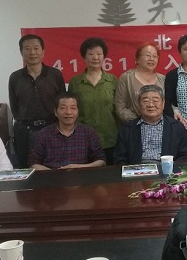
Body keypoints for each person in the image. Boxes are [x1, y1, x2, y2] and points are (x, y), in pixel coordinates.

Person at [8, 34, 66, 168]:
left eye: (36, 48)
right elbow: (15, 107)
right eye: (27, 49)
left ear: (43, 51)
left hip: (52, 128)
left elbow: (62, 103)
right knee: (25, 168)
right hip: (25, 132)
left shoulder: (55, 74)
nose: (32, 52)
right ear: (21, 52)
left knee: (53, 167)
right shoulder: (15, 77)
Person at [68, 37, 119, 165]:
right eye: (90, 54)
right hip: (83, 138)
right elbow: (71, 110)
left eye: (99, 54)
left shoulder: (112, 80)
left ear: (104, 57)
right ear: (84, 57)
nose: (95, 57)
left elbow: (118, 108)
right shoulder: (75, 82)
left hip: (110, 138)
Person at [114, 85, 187, 165]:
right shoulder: (127, 129)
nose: (151, 105)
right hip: (138, 170)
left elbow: (185, 156)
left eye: (155, 100)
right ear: (139, 104)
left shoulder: (177, 127)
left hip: (167, 170)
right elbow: (119, 158)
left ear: (163, 103)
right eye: (145, 101)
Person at [29, 92, 107, 170]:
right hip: (51, 176)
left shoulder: (88, 133)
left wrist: (79, 167)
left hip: (81, 175)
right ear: (55, 112)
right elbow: (33, 163)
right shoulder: (43, 134)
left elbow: (101, 161)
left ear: (78, 111)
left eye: (73, 108)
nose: (68, 112)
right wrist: (53, 173)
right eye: (63, 108)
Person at [115, 42, 165, 125]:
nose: (151, 59)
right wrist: (139, 122)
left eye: (154, 56)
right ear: (137, 59)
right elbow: (120, 106)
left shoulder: (163, 79)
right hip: (133, 126)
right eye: (148, 55)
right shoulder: (126, 78)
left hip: (159, 126)